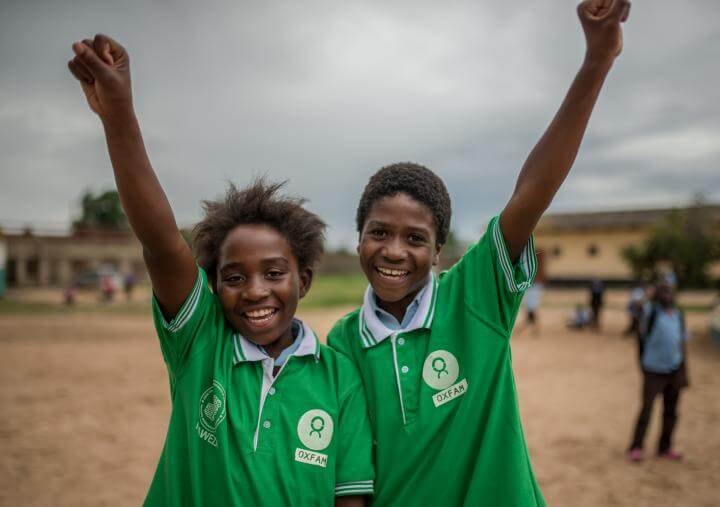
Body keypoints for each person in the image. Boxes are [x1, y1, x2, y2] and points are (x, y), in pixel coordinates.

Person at [327, 1, 631, 504]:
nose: (394, 251)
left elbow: (532, 191)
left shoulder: (474, 296)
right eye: (379, 232)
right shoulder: (342, 343)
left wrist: (595, 62)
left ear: (438, 251)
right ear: (359, 238)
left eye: (415, 238)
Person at [67, 35, 373, 506]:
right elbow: (160, 240)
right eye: (234, 277)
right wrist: (118, 113)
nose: (255, 291)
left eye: (274, 273)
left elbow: (348, 499)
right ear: (212, 285)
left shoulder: (339, 378)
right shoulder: (201, 344)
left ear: (304, 281)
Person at [628, 282, 688, 462]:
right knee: (647, 409)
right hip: (653, 369)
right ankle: (636, 447)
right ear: (657, 296)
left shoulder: (678, 315)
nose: (667, 296)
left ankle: (665, 447)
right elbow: (635, 307)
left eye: (670, 292)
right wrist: (647, 295)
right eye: (663, 292)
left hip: (674, 369)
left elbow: (681, 342)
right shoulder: (651, 313)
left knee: (671, 412)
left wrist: (683, 371)